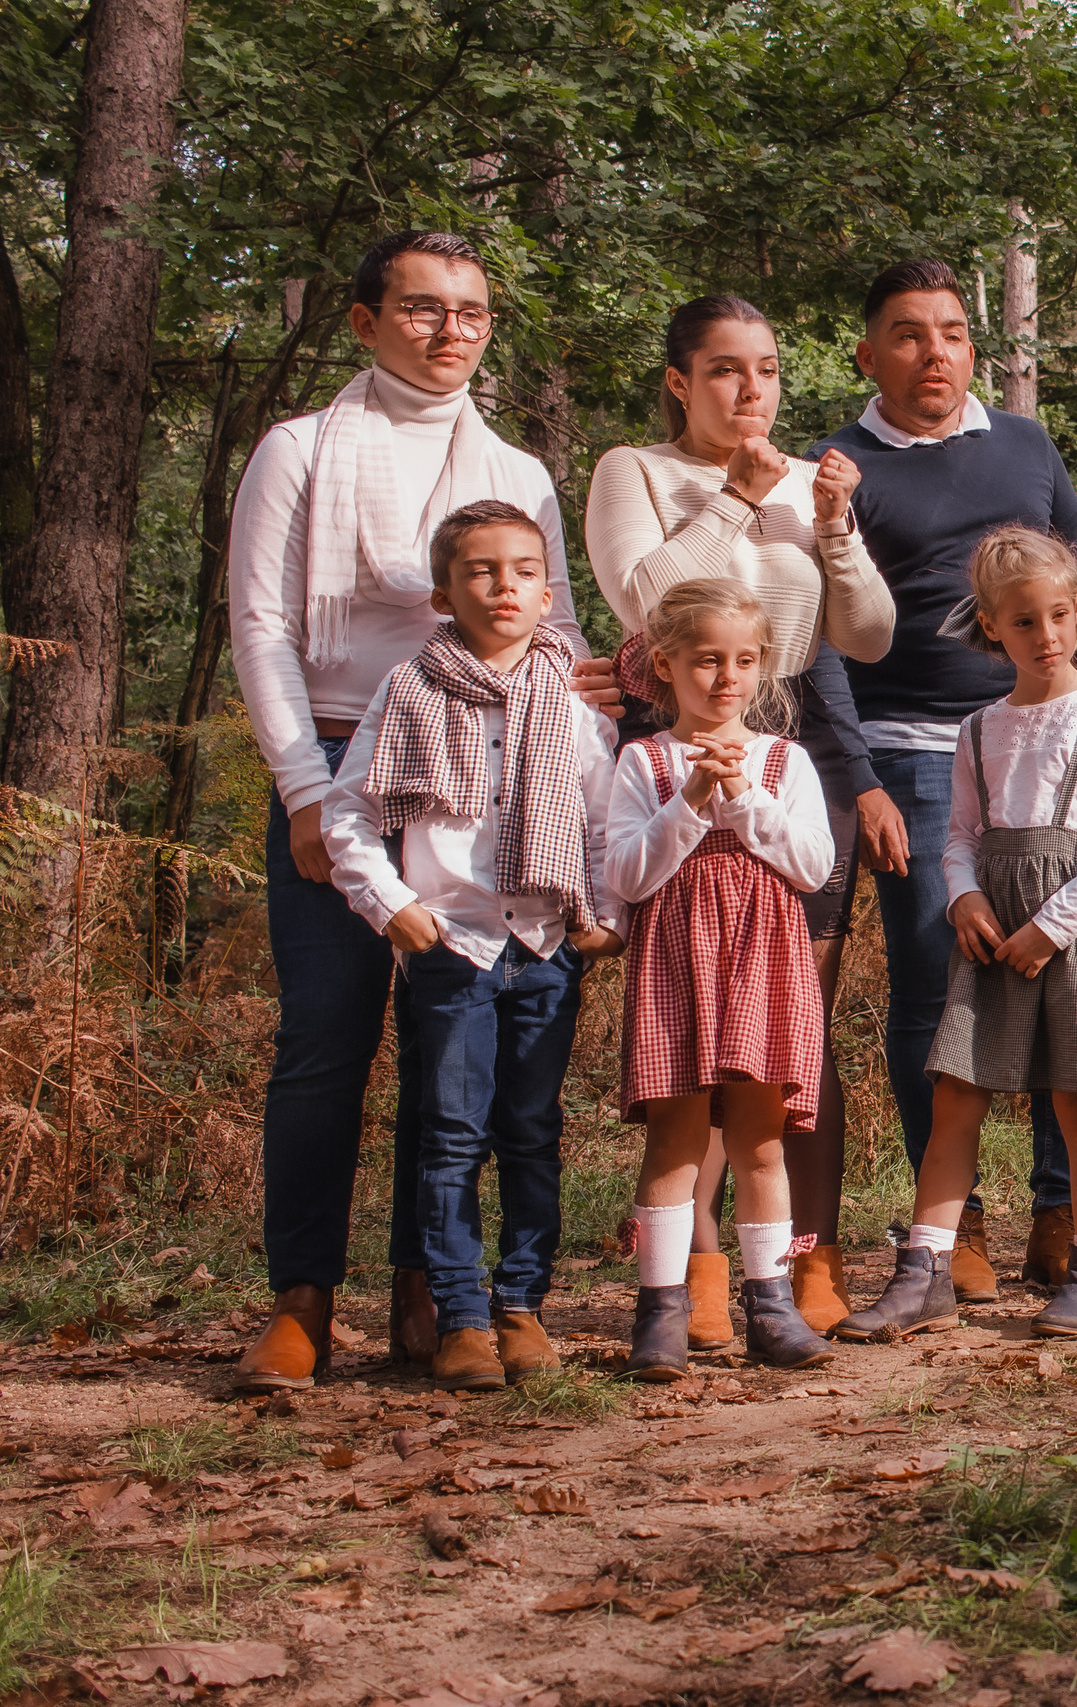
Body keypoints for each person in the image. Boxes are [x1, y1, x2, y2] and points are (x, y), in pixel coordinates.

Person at [228, 229, 617, 1391]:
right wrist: (304, 786)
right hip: (344, 754)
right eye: (422, 308)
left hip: (497, 768)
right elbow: (262, 629)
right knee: (326, 1039)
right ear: (363, 320)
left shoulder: (518, 470)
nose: (449, 331)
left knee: (457, 1046)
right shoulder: (299, 451)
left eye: (471, 313)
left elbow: (553, 633)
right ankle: (302, 1297)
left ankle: (430, 1290)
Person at [809, 260, 1077, 1300]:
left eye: (949, 332)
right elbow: (815, 631)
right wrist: (861, 778)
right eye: (907, 333)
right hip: (912, 747)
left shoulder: (1025, 446)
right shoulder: (842, 465)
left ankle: (1057, 1216)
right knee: (939, 985)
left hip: (1051, 742)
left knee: (1057, 976)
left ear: (972, 350)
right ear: (869, 355)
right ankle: (955, 1235)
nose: (932, 351)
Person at [587, 293, 896, 1341]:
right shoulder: (634, 470)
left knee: (780, 1022)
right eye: (724, 370)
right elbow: (643, 599)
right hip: (674, 726)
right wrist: (733, 502)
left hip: (789, 735)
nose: (749, 389)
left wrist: (834, 528)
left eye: (764, 369)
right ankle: (691, 1281)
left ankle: (798, 1265)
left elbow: (867, 633)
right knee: (687, 1039)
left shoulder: (811, 482)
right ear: (680, 381)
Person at [839, 528, 1077, 1343]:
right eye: (1024, 621)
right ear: (991, 626)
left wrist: (1050, 928)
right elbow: (958, 834)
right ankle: (926, 1267)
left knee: (1074, 1096)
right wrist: (964, 899)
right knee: (956, 1091)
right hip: (993, 932)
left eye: (1060, 615)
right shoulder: (980, 728)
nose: (1047, 635)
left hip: (1075, 927)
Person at [320, 501, 624, 1389]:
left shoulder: (569, 699)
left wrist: (604, 914)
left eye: (526, 570)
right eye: (483, 570)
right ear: (445, 591)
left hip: (542, 943)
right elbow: (349, 812)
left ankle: (521, 1304)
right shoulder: (409, 688)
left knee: (531, 1129)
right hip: (450, 945)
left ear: (547, 589)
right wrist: (392, 904)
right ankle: (458, 1316)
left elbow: (603, 823)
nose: (506, 586)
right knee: (450, 1134)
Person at [602, 581, 839, 1378]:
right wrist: (693, 801)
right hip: (677, 967)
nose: (726, 677)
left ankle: (771, 1305)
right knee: (675, 1137)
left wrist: (743, 799)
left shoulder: (784, 760)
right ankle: (661, 1311)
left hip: (765, 966)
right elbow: (628, 876)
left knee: (760, 1141)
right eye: (706, 659)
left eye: (744, 660)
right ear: (665, 664)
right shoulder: (643, 761)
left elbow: (812, 867)